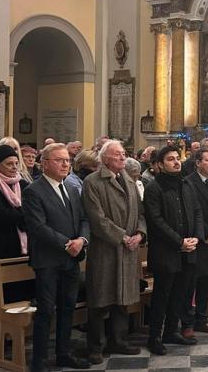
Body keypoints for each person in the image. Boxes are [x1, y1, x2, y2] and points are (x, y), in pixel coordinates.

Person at [23, 143, 90, 372]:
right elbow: (37, 227)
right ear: (45, 164)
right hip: (48, 260)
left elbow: (83, 219)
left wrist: (81, 240)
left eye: (67, 160)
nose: (65, 164)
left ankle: (64, 353)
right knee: (46, 311)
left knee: (68, 308)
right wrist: (66, 244)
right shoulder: (34, 191)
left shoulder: (71, 188)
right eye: (59, 160)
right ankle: (39, 361)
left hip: (71, 259)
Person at [82, 140, 146, 364]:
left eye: (123, 154)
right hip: (105, 250)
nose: (122, 157)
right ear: (105, 158)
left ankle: (117, 340)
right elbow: (97, 219)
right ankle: (95, 346)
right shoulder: (93, 182)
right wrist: (122, 236)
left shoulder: (128, 179)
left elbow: (140, 212)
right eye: (118, 154)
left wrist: (139, 233)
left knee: (122, 299)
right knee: (100, 300)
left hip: (128, 250)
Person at [143, 146, 203, 355]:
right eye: (170, 159)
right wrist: (179, 241)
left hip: (188, 249)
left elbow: (196, 211)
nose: (177, 162)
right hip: (166, 251)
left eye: (178, 158)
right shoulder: (153, 188)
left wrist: (195, 236)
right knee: (162, 296)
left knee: (180, 294)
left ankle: (171, 331)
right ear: (159, 164)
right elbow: (156, 221)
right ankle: (155, 337)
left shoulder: (186, 184)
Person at [0, 145, 32, 333]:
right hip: (0, 247)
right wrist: (21, 213)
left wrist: (19, 213)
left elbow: (31, 212)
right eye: (9, 164)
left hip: (21, 247)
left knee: (20, 290)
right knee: (1, 292)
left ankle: (19, 332)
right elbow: (0, 216)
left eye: (16, 163)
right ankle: (0, 334)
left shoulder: (23, 184)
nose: (14, 167)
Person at [183, 149, 208, 336]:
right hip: (197, 238)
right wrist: (207, 232)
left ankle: (202, 318)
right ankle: (187, 322)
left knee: (207, 281)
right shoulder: (189, 182)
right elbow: (193, 211)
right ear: (198, 162)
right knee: (191, 282)